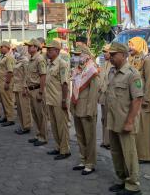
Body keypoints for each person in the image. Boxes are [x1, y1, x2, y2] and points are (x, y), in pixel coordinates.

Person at [106, 42, 144, 195]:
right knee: (116, 152)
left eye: (113, 55)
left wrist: (129, 122)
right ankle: (122, 179)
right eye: (110, 54)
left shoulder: (132, 74)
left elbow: (137, 100)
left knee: (129, 154)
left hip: (125, 121)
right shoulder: (113, 72)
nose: (110, 57)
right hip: (114, 120)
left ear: (123, 55)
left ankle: (133, 185)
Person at [128, 37, 150, 163]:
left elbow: (149, 82)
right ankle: (138, 153)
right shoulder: (131, 60)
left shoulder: (147, 61)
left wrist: (146, 99)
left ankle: (146, 155)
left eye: (132, 45)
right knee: (137, 128)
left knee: (145, 129)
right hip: (134, 98)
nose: (129, 48)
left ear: (139, 45)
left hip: (144, 100)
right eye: (129, 45)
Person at [70, 47, 99, 175]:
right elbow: (74, 88)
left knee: (89, 137)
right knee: (80, 136)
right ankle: (83, 159)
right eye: (75, 55)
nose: (76, 57)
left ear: (86, 55)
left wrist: (90, 110)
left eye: (78, 55)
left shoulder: (92, 70)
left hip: (87, 108)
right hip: (77, 107)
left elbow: (94, 92)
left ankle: (90, 163)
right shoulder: (78, 69)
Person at [44, 39, 71, 160]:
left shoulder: (62, 64)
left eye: (49, 50)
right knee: (54, 125)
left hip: (59, 100)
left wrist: (64, 100)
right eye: (47, 50)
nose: (47, 52)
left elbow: (64, 84)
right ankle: (58, 147)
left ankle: (65, 150)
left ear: (57, 51)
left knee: (62, 126)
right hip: (50, 99)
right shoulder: (50, 63)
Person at [25, 38, 48, 146]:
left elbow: (43, 76)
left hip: (37, 89)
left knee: (40, 115)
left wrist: (41, 92)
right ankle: (38, 134)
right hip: (31, 89)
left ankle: (43, 137)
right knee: (35, 114)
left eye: (30, 46)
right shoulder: (32, 59)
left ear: (36, 47)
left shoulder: (39, 59)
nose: (28, 48)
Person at [13, 45, 32, 135]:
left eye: (16, 50)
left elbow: (27, 75)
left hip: (22, 87)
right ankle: (22, 125)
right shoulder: (18, 60)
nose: (15, 52)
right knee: (20, 108)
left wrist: (25, 87)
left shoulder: (25, 61)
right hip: (16, 86)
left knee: (24, 108)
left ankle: (27, 126)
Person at [0, 41, 16, 127]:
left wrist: (7, 82)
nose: (0, 49)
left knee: (8, 101)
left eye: (1, 47)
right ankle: (6, 116)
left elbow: (10, 71)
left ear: (7, 48)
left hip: (5, 82)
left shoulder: (9, 57)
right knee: (3, 101)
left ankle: (10, 119)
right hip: (0, 82)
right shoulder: (3, 57)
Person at [98, 44, 112, 149]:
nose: (104, 53)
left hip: (110, 95)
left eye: (106, 51)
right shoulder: (103, 64)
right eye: (104, 51)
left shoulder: (114, 64)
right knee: (103, 119)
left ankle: (110, 142)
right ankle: (105, 140)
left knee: (109, 119)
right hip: (103, 95)